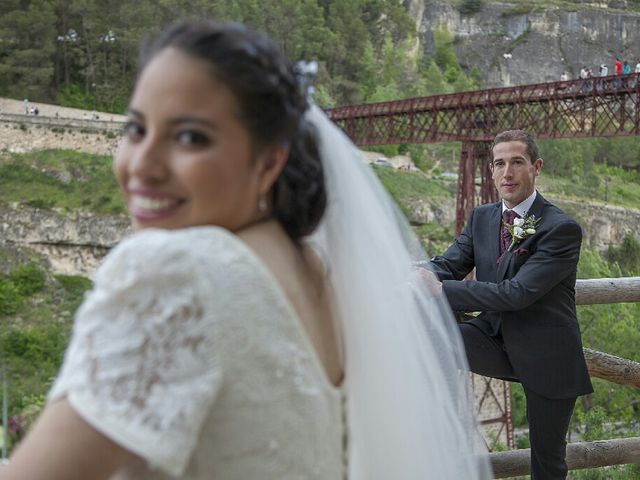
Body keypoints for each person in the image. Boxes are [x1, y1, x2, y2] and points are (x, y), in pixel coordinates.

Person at [0, 21, 490, 480]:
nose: (141, 165)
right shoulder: (315, 270)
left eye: (190, 137)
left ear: (270, 159)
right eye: (135, 129)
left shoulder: (174, 271)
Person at [423, 130, 593, 480]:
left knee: (547, 464)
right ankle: (437, 438)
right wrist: (416, 275)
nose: (507, 173)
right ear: (491, 171)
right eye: (499, 164)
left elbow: (516, 293)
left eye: (517, 162)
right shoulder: (482, 217)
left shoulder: (561, 229)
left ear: (536, 167)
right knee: (425, 331)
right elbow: (449, 263)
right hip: (493, 340)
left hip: (547, 355)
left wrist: (440, 290)